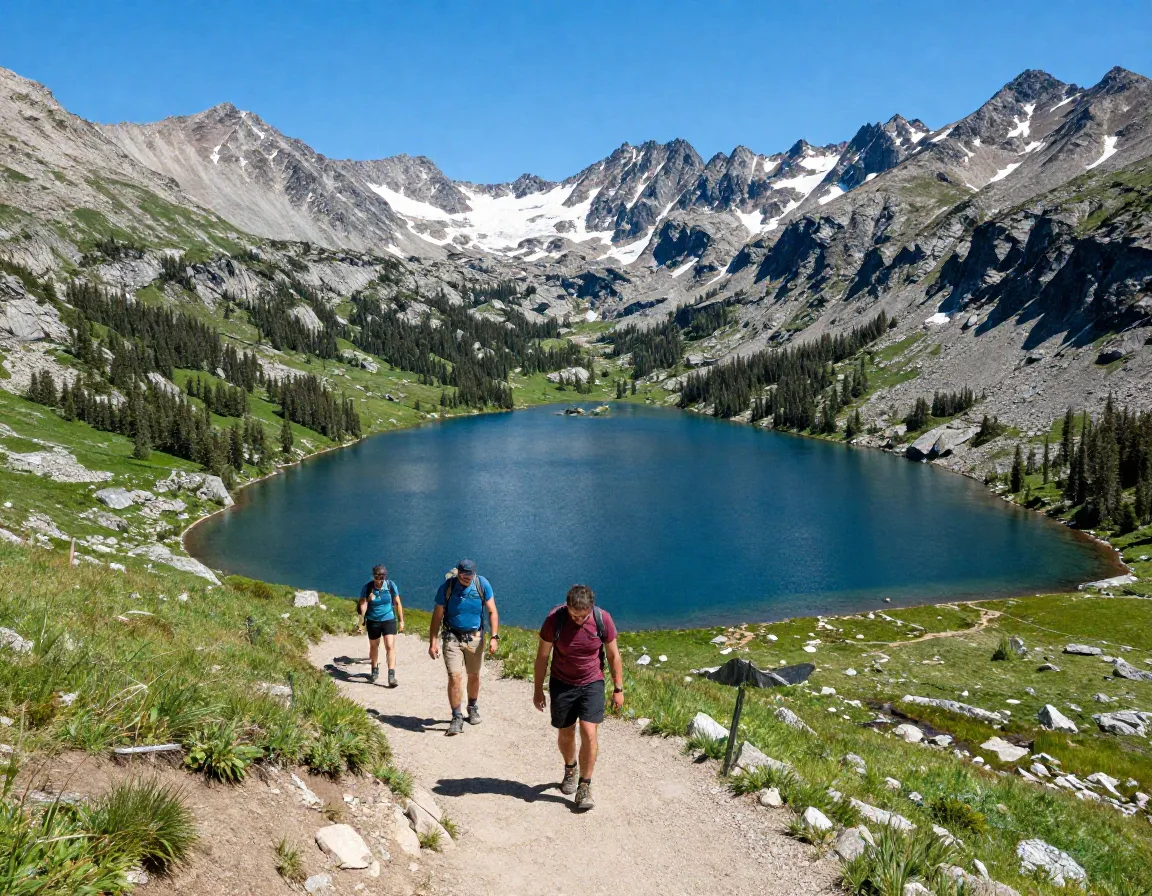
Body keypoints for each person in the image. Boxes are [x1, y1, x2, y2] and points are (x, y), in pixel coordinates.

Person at [533, 584, 624, 811]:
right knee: (566, 732)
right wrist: (537, 689)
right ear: (567, 607)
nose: (578, 620)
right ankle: (570, 768)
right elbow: (542, 657)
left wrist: (618, 688)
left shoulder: (603, 619)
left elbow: (613, 655)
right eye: (574, 615)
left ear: (590, 608)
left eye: (582, 616)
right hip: (562, 682)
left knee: (589, 731)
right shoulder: (555, 620)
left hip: (592, 681)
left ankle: (584, 785)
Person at [428, 559, 499, 736]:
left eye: (470, 574)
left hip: (475, 636)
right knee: (455, 677)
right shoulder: (447, 587)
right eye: (464, 574)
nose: (467, 578)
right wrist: (433, 642)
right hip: (452, 636)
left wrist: (494, 636)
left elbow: (492, 611)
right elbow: (437, 616)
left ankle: (472, 707)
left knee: (473, 676)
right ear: (458, 572)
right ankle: (456, 716)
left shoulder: (482, 585)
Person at [358, 564, 404, 686]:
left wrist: (401, 621)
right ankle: (374, 669)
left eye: (382, 578)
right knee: (374, 646)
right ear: (373, 576)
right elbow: (362, 604)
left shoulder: (390, 585)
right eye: (377, 577)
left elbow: (397, 602)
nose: (379, 580)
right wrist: (362, 620)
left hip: (388, 619)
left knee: (390, 645)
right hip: (373, 620)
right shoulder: (367, 588)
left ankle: (391, 675)